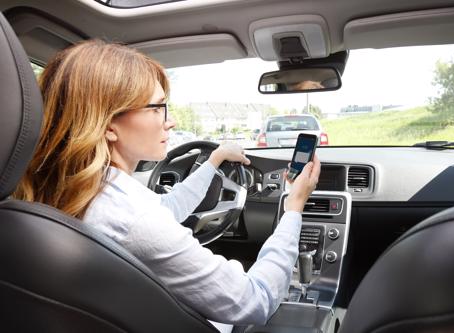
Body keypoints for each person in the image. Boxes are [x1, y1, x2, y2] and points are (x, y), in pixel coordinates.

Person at [14, 40, 321, 331]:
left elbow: (166, 209)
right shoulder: (134, 219)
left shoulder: (57, 192)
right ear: (108, 124)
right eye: (157, 107)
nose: (170, 121)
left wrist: (214, 161)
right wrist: (293, 209)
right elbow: (256, 300)